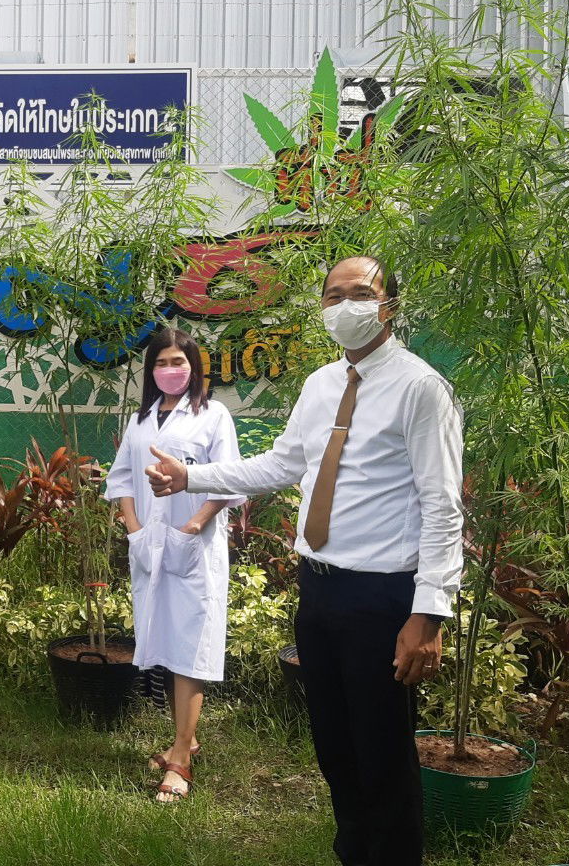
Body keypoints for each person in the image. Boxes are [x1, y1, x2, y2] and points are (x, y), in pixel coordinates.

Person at [146, 257, 463, 864]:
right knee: (336, 748)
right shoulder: (321, 385)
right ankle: (355, 854)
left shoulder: (422, 389)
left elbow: (442, 505)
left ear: (388, 305)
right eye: (333, 295)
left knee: (381, 753)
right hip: (318, 591)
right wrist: (191, 475)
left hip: (382, 598)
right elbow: (283, 464)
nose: (345, 305)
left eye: (360, 293)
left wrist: (429, 613)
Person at [104, 327, 245, 802]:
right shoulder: (141, 419)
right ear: (151, 371)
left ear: (195, 367)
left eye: (179, 362)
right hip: (151, 549)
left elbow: (227, 481)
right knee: (163, 639)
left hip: (193, 549)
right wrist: (135, 528)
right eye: (162, 363)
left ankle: (181, 758)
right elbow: (122, 476)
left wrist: (193, 527)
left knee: (190, 648)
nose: (171, 370)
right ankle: (187, 737)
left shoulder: (213, 415)